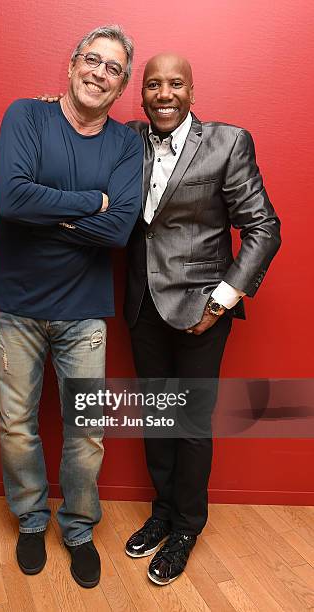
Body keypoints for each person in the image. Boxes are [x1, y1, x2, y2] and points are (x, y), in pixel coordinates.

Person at [0, 25, 143, 587]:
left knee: (87, 430)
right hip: (15, 306)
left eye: (114, 68)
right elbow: (12, 198)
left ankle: (77, 529)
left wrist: (49, 216)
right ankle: (31, 520)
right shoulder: (26, 115)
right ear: (72, 64)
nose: (100, 73)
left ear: (121, 84)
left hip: (83, 311)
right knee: (16, 424)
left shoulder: (126, 142)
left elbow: (120, 228)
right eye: (92, 60)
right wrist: (88, 205)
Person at [123, 53, 281, 585]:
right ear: (140, 94)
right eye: (152, 85)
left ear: (192, 91)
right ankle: (162, 512)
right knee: (157, 417)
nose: (163, 94)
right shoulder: (127, 140)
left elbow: (263, 226)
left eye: (175, 84)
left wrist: (222, 301)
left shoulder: (227, 142)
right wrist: (58, 105)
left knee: (189, 424)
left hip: (200, 312)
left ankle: (187, 526)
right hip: (142, 304)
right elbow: (83, 128)